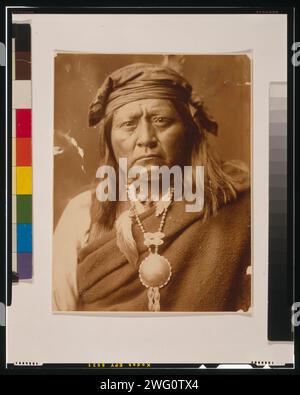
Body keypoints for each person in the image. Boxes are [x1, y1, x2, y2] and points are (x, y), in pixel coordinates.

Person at [52, 62, 251, 312]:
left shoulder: (238, 205)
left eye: (161, 120)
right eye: (128, 124)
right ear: (109, 141)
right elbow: (59, 324)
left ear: (189, 132)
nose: (146, 139)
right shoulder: (81, 214)